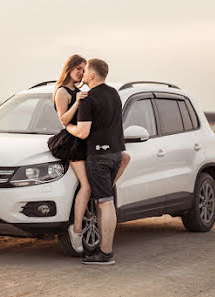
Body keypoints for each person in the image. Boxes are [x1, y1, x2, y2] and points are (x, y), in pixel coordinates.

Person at [66, 58, 126, 265]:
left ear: (91, 75)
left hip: (98, 157)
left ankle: (106, 254)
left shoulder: (88, 98)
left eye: (85, 72)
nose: (82, 75)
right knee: (104, 202)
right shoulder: (114, 94)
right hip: (116, 154)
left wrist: (68, 128)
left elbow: (82, 132)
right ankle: (103, 250)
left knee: (105, 202)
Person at [47, 54, 90, 254]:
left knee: (90, 186)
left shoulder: (80, 91)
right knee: (87, 186)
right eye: (78, 68)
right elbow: (64, 120)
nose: (81, 72)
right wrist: (77, 102)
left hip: (85, 139)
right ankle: (77, 230)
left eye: (84, 69)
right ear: (69, 68)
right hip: (72, 142)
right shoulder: (62, 92)